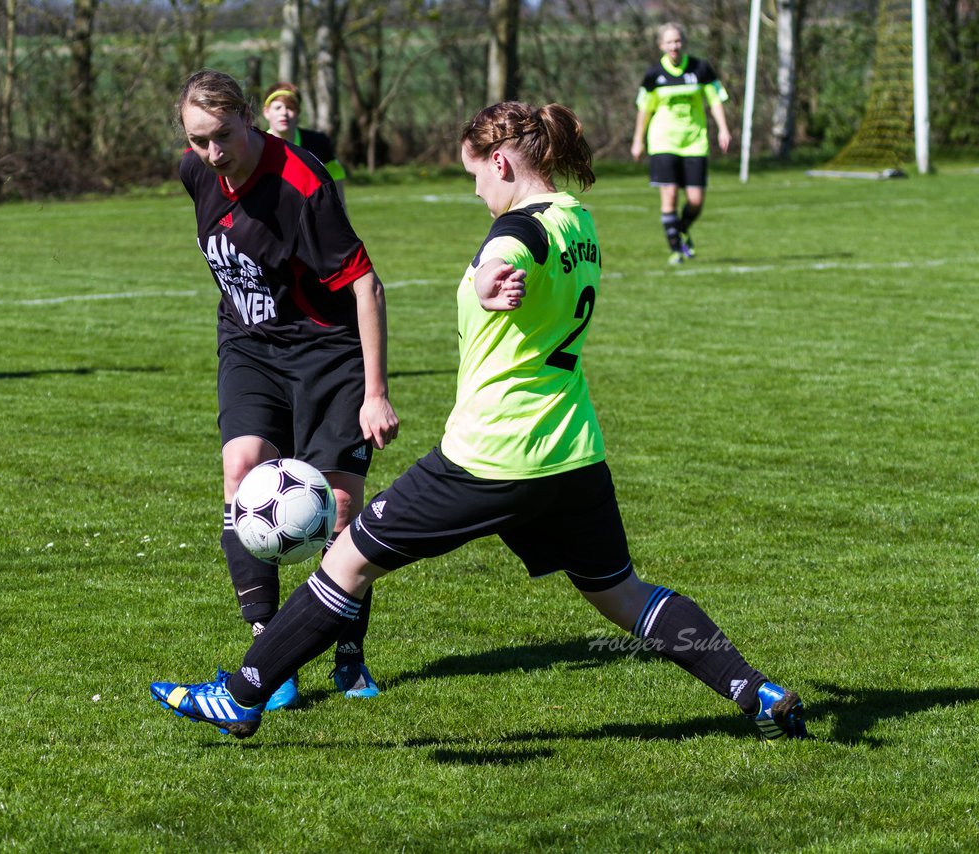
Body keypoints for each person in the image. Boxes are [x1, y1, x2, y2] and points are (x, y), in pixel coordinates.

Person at [151, 100, 807, 743]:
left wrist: (493, 278)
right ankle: (753, 689)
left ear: (500, 161)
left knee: (344, 565)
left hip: (490, 457)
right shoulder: (580, 221)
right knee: (624, 594)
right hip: (573, 453)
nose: (476, 191)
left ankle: (240, 697)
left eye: (475, 176)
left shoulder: (515, 230)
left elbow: (508, 256)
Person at [173, 70, 400, 711]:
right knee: (241, 471)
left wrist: (375, 392)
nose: (213, 154)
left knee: (340, 508)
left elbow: (366, 285)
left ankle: (349, 654)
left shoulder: (303, 184)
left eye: (221, 136)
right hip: (250, 345)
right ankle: (271, 651)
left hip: (329, 352)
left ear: (247, 117)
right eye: (198, 141)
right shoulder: (195, 174)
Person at [630, 22, 731, 265]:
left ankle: (681, 230)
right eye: (669, 42)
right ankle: (676, 249)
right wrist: (638, 140)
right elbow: (644, 108)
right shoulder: (654, 75)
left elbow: (715, 99)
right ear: (661, 45)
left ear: (683, 43)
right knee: (670, 194)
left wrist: (723, 129)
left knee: (696, 200)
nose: (674, 46)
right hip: (663, 141)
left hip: (695, 141)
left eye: (677, 41)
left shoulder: (701, 68)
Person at [261, 81, 347, 206]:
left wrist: (343, 216)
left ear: (298, 112)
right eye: (278, 107)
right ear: (266, 112)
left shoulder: (318, 143)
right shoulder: (256, 146)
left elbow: (336, 179)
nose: (284, 113)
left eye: (290, 107)